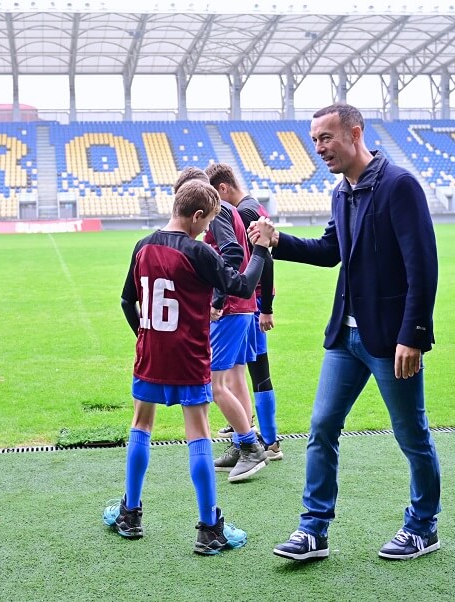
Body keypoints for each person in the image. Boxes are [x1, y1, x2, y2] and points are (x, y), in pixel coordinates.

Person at [265, 103, 441, 561]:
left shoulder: (399, 186)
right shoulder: (341, 192)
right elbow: (329, 251)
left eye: (325, 138)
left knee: (412, 436)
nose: (319, 148)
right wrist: (278, 240)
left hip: (390, 341)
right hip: (345, 338)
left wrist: (414, 334)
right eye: (315, 140)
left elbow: (422, 266)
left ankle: (423, 526)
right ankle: (313, 530)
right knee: (321, 426)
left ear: (354, 133)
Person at [103, 179, 274, 554]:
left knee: (141, 425)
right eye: (209, 220)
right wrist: (260, 248)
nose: (209, 228)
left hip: (150, 355)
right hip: (191, 356)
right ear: (197, 216)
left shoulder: (143, 245)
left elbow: (125, 301)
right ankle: (209, 528)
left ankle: (129, 514)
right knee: (198, 432)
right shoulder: (199, 252)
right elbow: (243, 287)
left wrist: (144, 337)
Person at [205, 163, 282, 461]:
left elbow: (266, 259)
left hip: (248, 303)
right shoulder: (252, 206)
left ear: (222, 189)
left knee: (256, 370)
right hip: (252, 302)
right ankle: (250, 435)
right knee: (246, 370)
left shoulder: (243, 212)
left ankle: (269, 441)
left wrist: (267, 308)